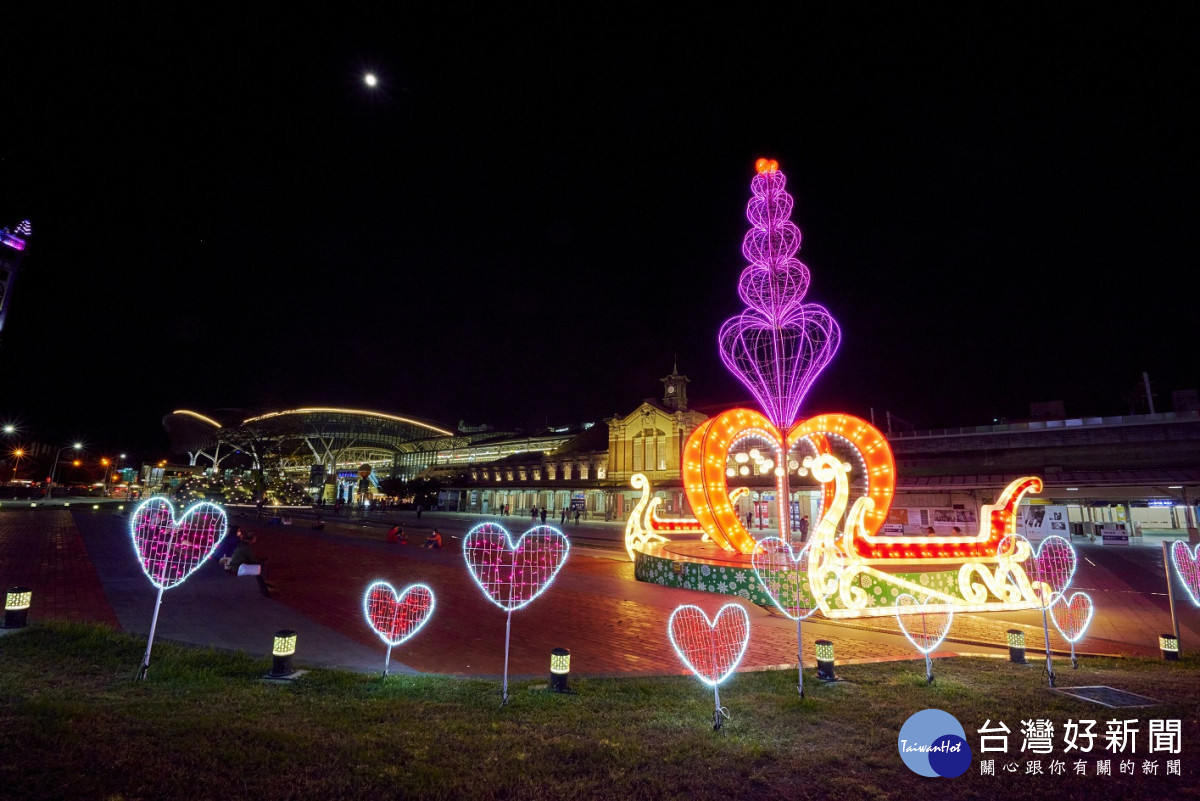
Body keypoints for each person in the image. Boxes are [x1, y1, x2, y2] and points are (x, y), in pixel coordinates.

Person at [228, 533, 274, 598]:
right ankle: (265, 591)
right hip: (238, 567)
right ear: (252, 539)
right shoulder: (246, 547)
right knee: (260, 569)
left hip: (236, 565)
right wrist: (261, 560)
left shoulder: (242, 545)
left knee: (259, 570)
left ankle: (264, 585)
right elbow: (252, 560)